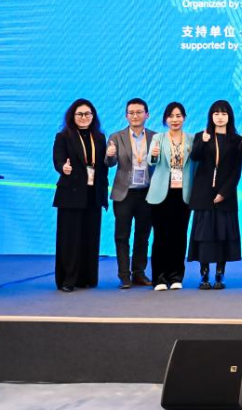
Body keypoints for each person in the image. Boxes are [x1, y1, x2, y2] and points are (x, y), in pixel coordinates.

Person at [52, 99, 109, 292]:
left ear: (93, 116)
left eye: (87, 114)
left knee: (90, 237)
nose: (84, 117)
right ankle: (68, 279)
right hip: (71, 194)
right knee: (70, 239)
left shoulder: (99, 137)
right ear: (72, 116)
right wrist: (63, 167)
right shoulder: (63, 136)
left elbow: (103, 167)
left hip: (93, 195)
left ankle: (87, 277)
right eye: (80, 114)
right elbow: (58, 160)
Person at [187, 100, 242, 290]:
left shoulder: (236, 140)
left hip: (225, 196)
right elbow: (194, 157)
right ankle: (204, 275)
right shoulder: (201, 135)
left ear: (229, 117)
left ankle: (220, 274)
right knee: (204, 236)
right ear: (211, 116)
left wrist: (224, 193)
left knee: (222, 236)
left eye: (224, 114)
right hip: (204, 194)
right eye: (216, 114)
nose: (220, 117)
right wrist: (202, 142)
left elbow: (236, 170)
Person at [105, 98, 156, 289]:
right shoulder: (116, 137)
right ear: (126, 116)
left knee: (143, 236)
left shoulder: (155, 137)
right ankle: (124, 275)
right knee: (122, 236)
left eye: (139, 112)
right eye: (131, 113)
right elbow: (109, 163)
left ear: (147, 115)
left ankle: (139, 273)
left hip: (147, 194)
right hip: (124, 194)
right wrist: (110, 155)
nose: (135, 116)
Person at [147, 102, 194, 291]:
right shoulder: (158, 138)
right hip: (161, 194)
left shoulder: (191, 139)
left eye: (178, 116)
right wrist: (153, 154)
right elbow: (151, 161)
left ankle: (176, 276)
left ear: (184, 118)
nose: (175, 120)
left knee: (179, 236)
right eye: (171, 116)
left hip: (183, 194)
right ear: (165, 119)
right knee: (161, 236)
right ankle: (159, 277)